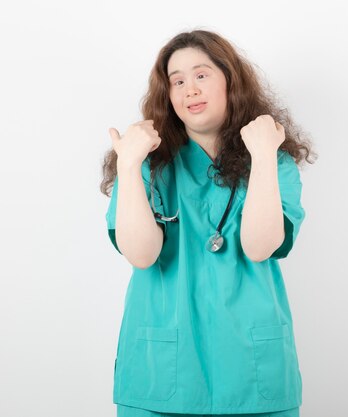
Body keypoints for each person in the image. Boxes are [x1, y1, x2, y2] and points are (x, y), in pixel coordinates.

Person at [100, 29, 317, 417]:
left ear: (230, 81)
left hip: (252, 376)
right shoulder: (149, 164)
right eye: (177, 81)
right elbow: (141, 254)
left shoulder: (272, 161)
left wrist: (264, 156)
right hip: (162, 375)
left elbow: (259, 245)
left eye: (201, 75)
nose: (189, 90)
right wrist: (129, 165)